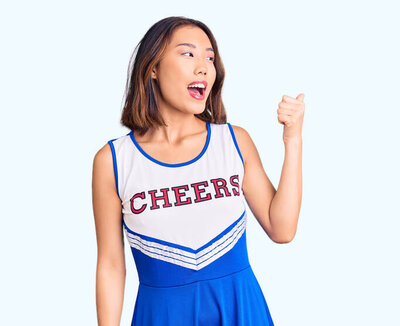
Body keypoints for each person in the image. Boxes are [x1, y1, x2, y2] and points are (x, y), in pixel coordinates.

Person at [91, 16, 304, 325]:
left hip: (239, 309)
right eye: (188, 53)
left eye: (209, 57)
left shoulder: (233, 141)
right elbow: (110, 265)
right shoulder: (113, 160)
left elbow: (281, 228)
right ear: (152, 68)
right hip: (162, 314)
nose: (203, 66)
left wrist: (293, 139)